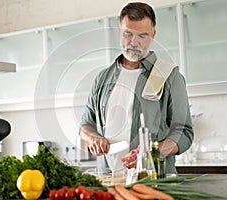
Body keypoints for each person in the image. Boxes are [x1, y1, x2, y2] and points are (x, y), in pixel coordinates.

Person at [79, 2, 193, 174]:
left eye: (142, 36)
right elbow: (86, 125)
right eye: (128, 34)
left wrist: (151, 153)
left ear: (153, 35)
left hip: (153, 182)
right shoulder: (102, 78)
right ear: (120, 31)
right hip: (108, 182)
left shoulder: (168, 76)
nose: (134, 42)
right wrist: (92, 138)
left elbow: (184, 132)